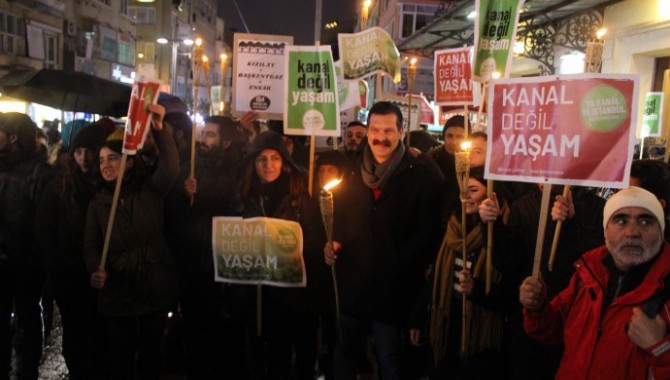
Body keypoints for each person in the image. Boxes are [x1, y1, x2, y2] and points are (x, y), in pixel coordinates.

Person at [324, 101, 442, 380]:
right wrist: (334, 242)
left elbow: (428, 232)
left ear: (401, 132)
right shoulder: (351, 171)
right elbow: (340, 217)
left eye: (388, 130)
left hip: (394, 290)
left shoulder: (420, 174)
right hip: (354, 286)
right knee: (345, 356)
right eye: (375, 129)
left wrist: (397, 261)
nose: (381, 137)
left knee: (390, 359)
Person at [520, 186, 670, 379]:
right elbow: (554, 330)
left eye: (645, 221)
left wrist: (659, 347)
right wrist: (538, 308)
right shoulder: (588, 273)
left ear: (661, 230)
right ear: (606, 230)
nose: (632, 232)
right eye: (621, 221)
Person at [84, 104, 179, 380]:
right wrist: (95, 270)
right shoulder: (98, 204)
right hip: (117, 291)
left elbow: (171, 165)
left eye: (112, 159)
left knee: (151, 355)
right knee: (120, 357)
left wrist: (161, 132)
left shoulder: (151, 189)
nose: (106, 166)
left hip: (152, 288)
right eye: (101, 161)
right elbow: (91, 246)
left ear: (130, 162)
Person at [233, 131, 326, 380]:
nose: (268, 165)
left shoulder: (299, 195)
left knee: (280, 357)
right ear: (253, 163)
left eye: (274, 158)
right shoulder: (243, 194)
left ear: (284, 162)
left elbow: (315, 241)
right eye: (262, 159)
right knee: (253, 356)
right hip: (253, 295)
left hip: (289, 297)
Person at [165, 115, 246, 379]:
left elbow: (224, 196)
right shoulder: (190, 166)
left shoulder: (237, 169)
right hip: (193, 265)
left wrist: (197, 193)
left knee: (222, 335)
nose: (203, 139)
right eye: (203, 133)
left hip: (222, 266)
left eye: (211, 135)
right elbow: (173, 210)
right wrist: (182, 194)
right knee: (195, 331)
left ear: (225, 142)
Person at [409, 167, 510, 379]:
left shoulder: (503, 229)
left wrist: (477, 290)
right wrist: (418, 319)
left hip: (480, 331)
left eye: (473, 189)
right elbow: (437, 274)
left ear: (491, 193)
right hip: (449, 322)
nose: (466, 196)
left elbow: (509, 279)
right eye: (462, 190)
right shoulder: (453, 227)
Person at [36, 122, 110, 380]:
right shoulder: (59, 184)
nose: (84, 158)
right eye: (78, 151)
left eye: (90, 151)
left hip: (101, 273)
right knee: (75, 332)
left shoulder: (108, 183)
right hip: (69, 273)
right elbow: (45, 229)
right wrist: (55, 268)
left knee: (100, 332)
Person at [0, 112, 53, 380]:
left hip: (26, 263)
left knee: (27, 322)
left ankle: (27, 372)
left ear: (13, 137)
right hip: (1, 260)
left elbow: (45, 225)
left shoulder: (39, 173)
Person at [428, 115, 468, 224]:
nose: (454, 142)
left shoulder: (471, 165)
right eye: (450, 136)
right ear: (444, 136)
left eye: (460, 137)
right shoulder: (430, 160)